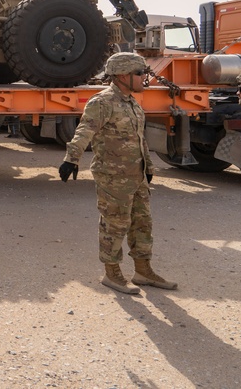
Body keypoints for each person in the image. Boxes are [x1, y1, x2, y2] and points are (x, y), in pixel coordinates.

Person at [58, 52, 177, 294]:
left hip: (138, 175)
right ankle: (111, 273)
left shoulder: (133, 103)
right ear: (123, 75)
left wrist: (149, 168)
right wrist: (71, 159)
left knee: (142, 224)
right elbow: (84, 132)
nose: (144, 78)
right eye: (139, 73)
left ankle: (143, 271)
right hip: (113, 177)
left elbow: (140, 139)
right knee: (115, 224)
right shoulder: (101, 102)